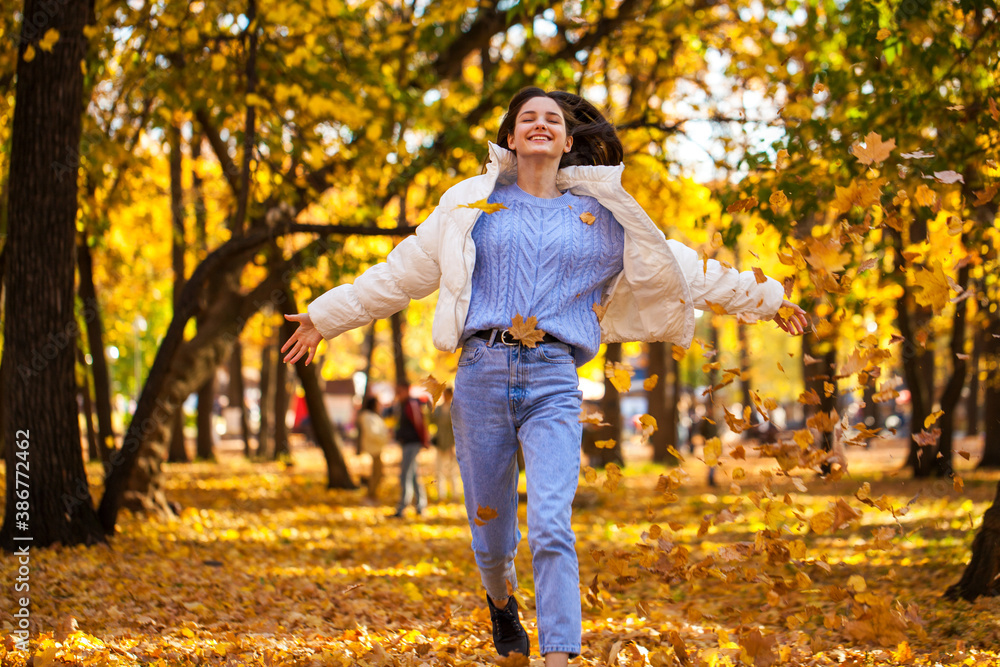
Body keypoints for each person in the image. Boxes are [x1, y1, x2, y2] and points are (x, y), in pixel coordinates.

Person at [281, 87, 809, 666]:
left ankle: (558, 657)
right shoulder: (469, 207)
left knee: (553, 523)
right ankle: (501, 600)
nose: (539, 125)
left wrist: (766, 301)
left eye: (551, 119)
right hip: (481, 374)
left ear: (565, 139)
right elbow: (399, 274)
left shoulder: (604, 219)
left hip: (555, 377)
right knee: (491, 541)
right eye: (527, 118)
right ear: (510, 138)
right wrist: (324, 317)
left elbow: (687, 269)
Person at [390, 382, 429, 517]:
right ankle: (420, 505)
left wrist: (424, 441)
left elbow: (419, 423)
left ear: (406, 390)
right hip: (406, 443)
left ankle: (402, 507)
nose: (397, 395)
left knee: (405, 475)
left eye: (399, 391)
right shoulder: (401, 405)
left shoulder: (411, 404)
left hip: (412, 444)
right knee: (412, 475)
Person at [357, 395, 391, 502]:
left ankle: (372, 494)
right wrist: (385, 436)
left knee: (378, 472)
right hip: (374, 448)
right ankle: (370, 495)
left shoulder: (371, 417)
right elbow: (373, 433)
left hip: (376, 447)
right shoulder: (369, 417)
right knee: (377, 473)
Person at [432, 386, 459, 502]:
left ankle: (455, 495)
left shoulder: (455, 409)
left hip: (450, 444)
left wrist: (453, 445)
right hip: (440, 443)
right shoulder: (439, 408)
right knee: (439, 470)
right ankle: (441, 495)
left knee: (452, 471)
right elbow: (432, 420)